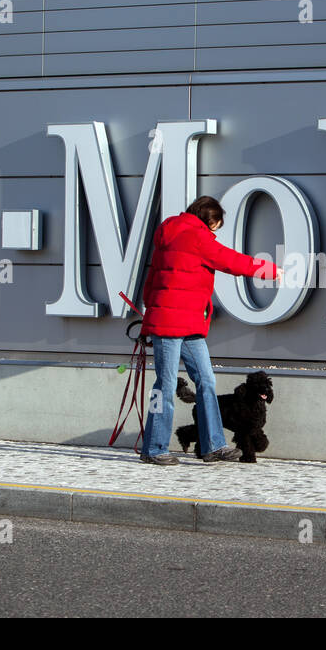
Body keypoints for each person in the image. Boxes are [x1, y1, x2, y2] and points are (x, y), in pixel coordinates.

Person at [137, 196, 280, 465]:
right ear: (209, 219)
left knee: (205, 381)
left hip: (188, 323)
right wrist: (270, 270)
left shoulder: (168, 234)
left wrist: (148, 316)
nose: (216, 230)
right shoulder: (196, 237)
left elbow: (151, 280)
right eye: (216, 224)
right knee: (165, 386)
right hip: (171, 324)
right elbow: (232, 261)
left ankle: (213, 446)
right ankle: (154, 448)